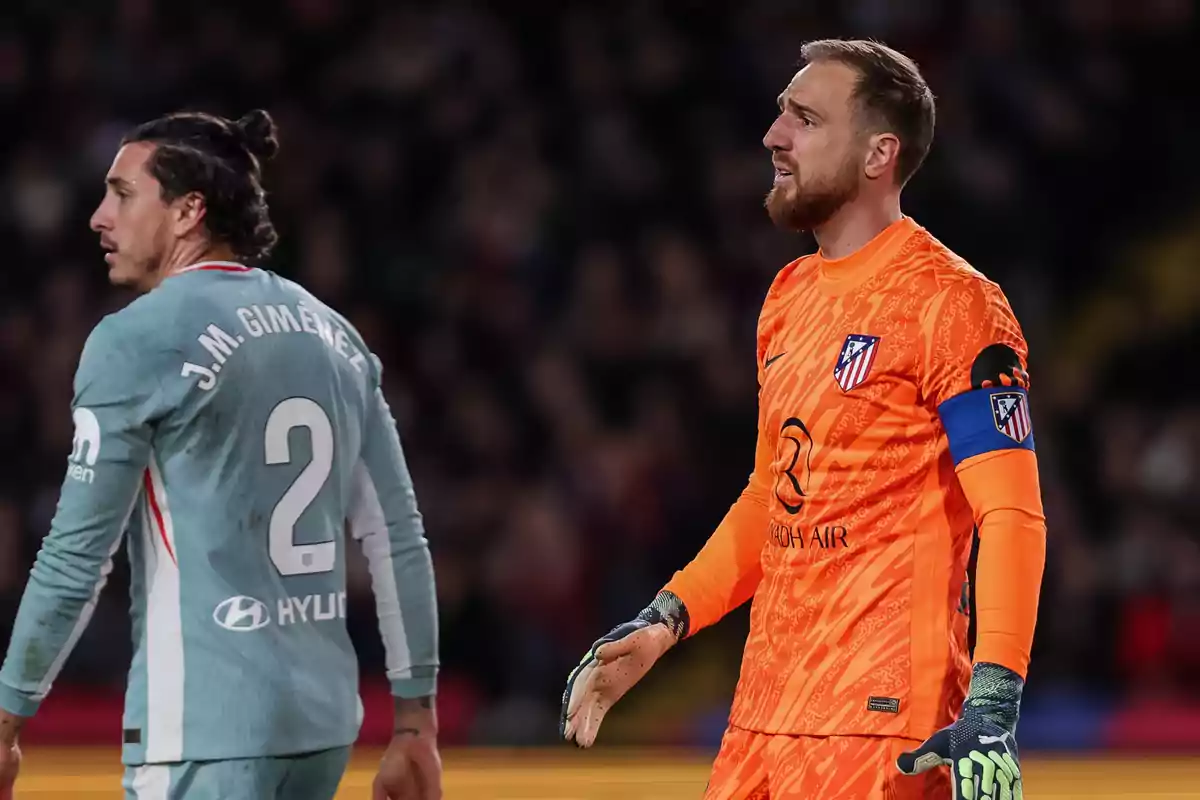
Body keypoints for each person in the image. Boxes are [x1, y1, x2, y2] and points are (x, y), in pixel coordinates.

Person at [561, 39, 1045, 800]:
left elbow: (1011, 513)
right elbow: (773, 499)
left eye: (806, 118)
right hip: (763, 713)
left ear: (878, 153)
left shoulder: (956, 305)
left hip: (881, 721)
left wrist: (993, 700)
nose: (774, 135)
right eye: (782, 112)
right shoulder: (789, 296)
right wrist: (665, 620)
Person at [0, 109, 442, 800]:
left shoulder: (136, 341)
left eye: (121, 194)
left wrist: (6, 718)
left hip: (201, 733)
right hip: (320, 732)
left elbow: (76, 555)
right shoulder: (337, 336)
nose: (97, 216)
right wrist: (416, 723)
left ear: (187, 212)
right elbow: (398, 538)